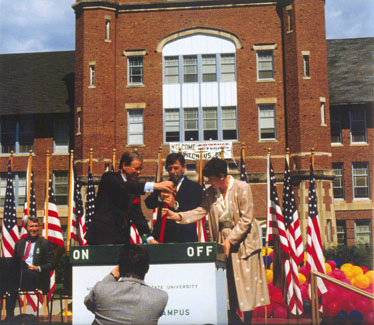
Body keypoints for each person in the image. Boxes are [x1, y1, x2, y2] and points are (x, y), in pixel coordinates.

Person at [163, 158, 270, 324]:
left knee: (245, 287)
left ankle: (247, 321)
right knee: (226, 286)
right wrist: (178, 216)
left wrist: (230, 241)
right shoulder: (210, 193)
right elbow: (201, 211)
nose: (208, 182)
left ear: (221, 176)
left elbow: (246, 219)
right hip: (220, 239)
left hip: (243, 243)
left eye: (210, 179)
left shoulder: (242, 188)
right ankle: (230, 320)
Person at [86, 151, 174, 245]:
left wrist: (148, 238)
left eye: (141, 169)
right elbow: (123, 187)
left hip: (122, 240)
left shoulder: (134, 188)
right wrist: (155, 186)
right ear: (124, 165)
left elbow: (137, 216)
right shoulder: (109, 178)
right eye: (136, 169)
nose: (139, 172)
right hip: (101, 239)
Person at [84, 243, 168, 325]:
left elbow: (88, 303)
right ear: (147, 269)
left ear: (119, 267)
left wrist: (113, 275)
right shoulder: (160, 298)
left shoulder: (100, 290)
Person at [145, 153, 203, 243]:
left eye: (176, 168)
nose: (172, 171)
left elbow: (195, 210)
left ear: (184, 168)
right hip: (163, 236)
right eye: (169, 169)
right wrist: (159, 197)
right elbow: (148, 203)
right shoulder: (163, 185)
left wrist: (175, 205)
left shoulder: (194, 187)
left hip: (184, 236)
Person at [5, 216, 54, 320]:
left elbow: (51, 264)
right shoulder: (19, 244)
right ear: (26, 228)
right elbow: (14, 263)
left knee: (14, 278)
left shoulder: (45, 243)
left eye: (36, 226)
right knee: (6, 276)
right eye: (31, 226)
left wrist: (38, 268)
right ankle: (9, 317)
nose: (34, 229)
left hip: (37, 277)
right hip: (20, 276)